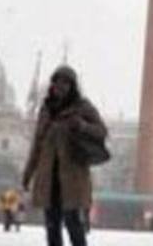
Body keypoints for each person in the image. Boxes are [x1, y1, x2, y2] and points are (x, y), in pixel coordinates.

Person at [23, 65, 107, 246]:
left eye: (66, 83)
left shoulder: (83, 107)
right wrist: (28, 173)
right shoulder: (45, 110)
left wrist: (83, 126)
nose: (61, 86)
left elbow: (101, 131)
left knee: (73, 223)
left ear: (72, 86)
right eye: (57, 82)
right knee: (52, 226)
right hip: (49, 177)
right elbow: (37, 143)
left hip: (73, 178)